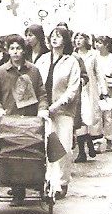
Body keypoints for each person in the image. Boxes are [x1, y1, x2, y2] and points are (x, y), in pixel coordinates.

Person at [0, 34, 47, 204]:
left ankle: (30, 182)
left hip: (30, 120)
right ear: (7, 51)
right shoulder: (0, 72)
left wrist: (43, 110)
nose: (15, 52)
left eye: (18, 48)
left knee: (29, 152)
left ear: (23, 50)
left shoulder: (33, 71)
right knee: (9, 152)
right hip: (8, 120)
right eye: (12, 48)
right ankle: (15, 187)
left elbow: (42, 94)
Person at [34, 26, 81, 199]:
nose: (55, 39)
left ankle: (62, 182)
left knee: (64, 146)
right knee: (45, 146)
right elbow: (36, 82)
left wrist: (57, 105)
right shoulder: (43, 60)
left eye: (59, 36)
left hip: (63, 111)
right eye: (52, 36)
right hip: (43, 111)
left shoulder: (71, 61)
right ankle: (47, 180)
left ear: (65, 40)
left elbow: (73, 89)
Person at [72, 32, 101, 162]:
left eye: (81, 38)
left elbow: (98, 73)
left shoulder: (93, 55)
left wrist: (103, 90)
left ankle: (89, 142)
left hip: (91, 89)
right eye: (76, 38)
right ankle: (83, 150)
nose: (78, 41)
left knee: (89, 118)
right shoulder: (72, 56)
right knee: (81, 118)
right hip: (78, 90)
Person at [92, 35, 112, 148]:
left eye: (100, 43)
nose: (97, 45)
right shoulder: (93, 57)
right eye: (96, 42)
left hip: (109, 90)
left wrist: (107, 83)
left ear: (106, 44)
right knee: (96, 115)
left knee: (108, 116)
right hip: (95, 90)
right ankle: (97, 141)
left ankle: (109, 138)